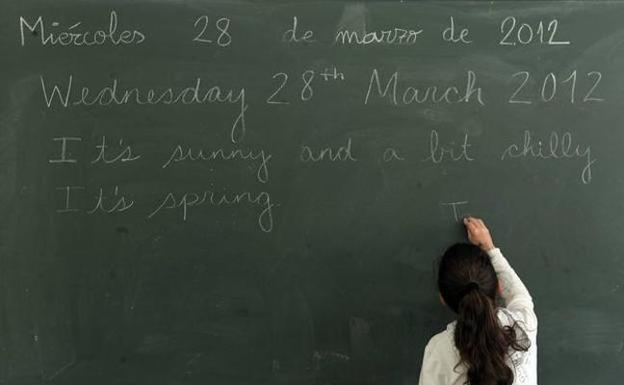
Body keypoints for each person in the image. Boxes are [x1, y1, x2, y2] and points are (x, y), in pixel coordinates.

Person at [418, 217, 537, 385]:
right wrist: (490, 249)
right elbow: (521, 296)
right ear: (498, 288)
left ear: (442, 298)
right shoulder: (523, 327)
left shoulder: (439, 349)